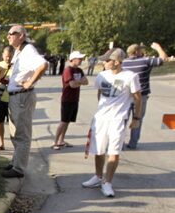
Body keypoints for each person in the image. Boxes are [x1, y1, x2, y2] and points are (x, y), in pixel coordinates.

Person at [82, 48, 141, 198]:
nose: (104, 62)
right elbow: (99, 93)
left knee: (114, 152)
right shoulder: (102, 75)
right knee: (98, 150)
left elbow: (138, 98)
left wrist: (136, 118)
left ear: (117, 62)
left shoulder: (130, 76)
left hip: (118, 120)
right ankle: (97, 176)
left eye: (107, 60)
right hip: (101, 119)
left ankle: (107, 182)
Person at [3, 25, 48, 178]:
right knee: (15, 132)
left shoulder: (28, 50)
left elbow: (43, 65)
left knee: (22, 134)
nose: (8, 36)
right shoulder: (19, 51)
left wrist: (29, 83)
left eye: (12, 33)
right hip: (16, 96)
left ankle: (18, 168)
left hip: (23, 95)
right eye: (8, 34)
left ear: (21, 35)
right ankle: (16, 162)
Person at [123, 42, 171, 149]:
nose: (143, 52)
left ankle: (119, 143)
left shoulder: (124, 63)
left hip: (125, 95)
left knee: (123, 119)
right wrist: (158, 47)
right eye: (141, 50)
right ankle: (133, 143)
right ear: (136, 52)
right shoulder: (145, 61)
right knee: (137, 118)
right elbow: (164, 59)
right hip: (141, 95)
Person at [52, 51, 88, 149]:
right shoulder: (68, 70)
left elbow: (86, 81)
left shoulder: (79, 70)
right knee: (63, 121)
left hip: (75, 99)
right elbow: (71, 85)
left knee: (68, 122)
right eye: (79, 58)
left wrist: (77, 82)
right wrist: (80, 82)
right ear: (73, 59)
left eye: (81, 59)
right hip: (67, 99)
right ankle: (55, 142)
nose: (81, 60)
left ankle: (61, 140)